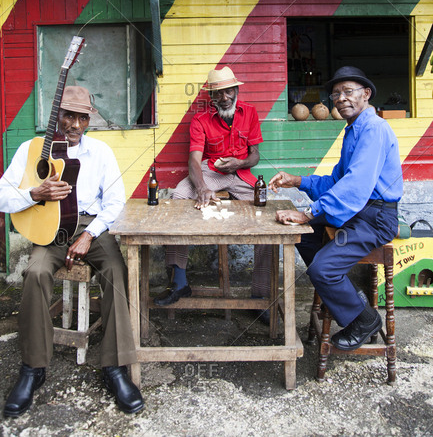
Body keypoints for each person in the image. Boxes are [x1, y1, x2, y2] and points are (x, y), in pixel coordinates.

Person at [1, 86, 144, 418]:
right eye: (69, 115)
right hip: (50, 229)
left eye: (82, 117)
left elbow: (115, 203)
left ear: (88, 121)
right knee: (35, 273)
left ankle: (115, 366)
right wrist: (35, 193)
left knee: (115, 272)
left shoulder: (101, 152)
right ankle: (33, 368)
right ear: (57, 116)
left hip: (90, 227)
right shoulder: (31, 149)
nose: (75, 124)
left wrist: (90, 235)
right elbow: (2, 196)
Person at [269, 66, 403, 351]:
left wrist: (308, 213)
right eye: (336, 94)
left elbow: (355, 185)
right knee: (302, 236)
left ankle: (364, 318)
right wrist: (297, 181)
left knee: (321, 269)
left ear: (366, 94)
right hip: (358, 212)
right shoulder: (353, 130)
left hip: (375, 217)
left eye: (348, 91)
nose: (341, 98)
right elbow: (336, 182)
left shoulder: (374, 128)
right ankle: (344, 293)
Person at [154, 66, 272, 321]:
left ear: (236, 90)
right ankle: (180, 282)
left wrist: (239, 164)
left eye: (229, 91)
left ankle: (260, 295)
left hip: (240, 172)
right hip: (210, 171)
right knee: (178, 197)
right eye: (218, 93)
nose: (224, 97)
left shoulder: (249, 112)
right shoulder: (200, 119)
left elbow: (255, 155)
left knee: (267, 216)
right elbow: (194, 161)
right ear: (211, 97)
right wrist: (202, 188)